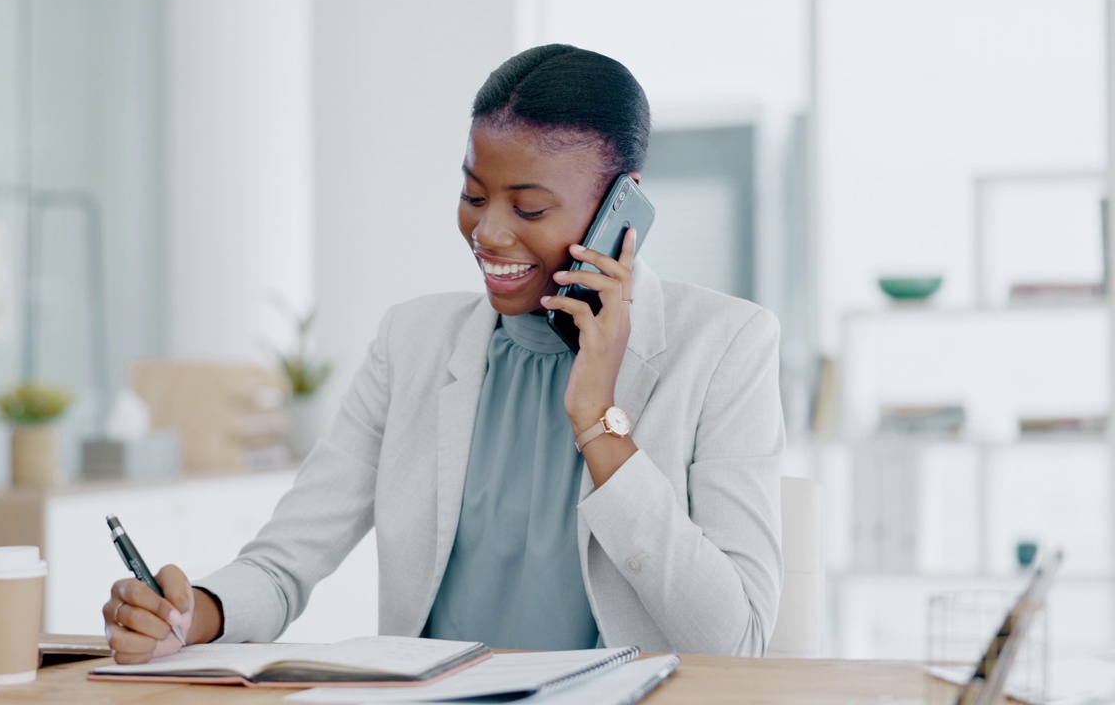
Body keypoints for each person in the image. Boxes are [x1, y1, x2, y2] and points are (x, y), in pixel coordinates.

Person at [103, 44, 783, 664]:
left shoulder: (725, 348)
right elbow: (282, 566)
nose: (487, 233)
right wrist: (195, 614)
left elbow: (737, 643)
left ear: (621, 207)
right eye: (474, 194)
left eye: (529, 209)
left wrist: (599, 421)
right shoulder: (412, 343)